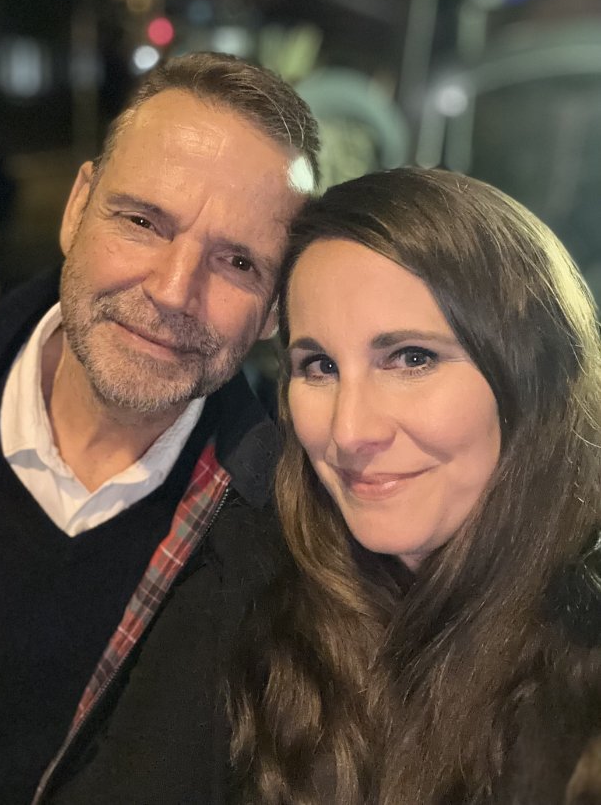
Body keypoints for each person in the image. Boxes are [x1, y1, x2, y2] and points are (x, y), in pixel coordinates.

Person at [0, 51, 320, 805]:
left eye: (238, 262)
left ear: (275, 308)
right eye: (142, 222)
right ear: (78, 207)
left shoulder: (294, 553)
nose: (173, 291)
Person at [230, 168, 601, 805]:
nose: (350, 432)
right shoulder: (264, 625)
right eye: (319, 366)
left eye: (411, 358)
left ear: (533, 378)